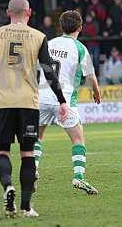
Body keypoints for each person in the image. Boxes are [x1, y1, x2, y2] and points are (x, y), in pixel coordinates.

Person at [0, 0, 68, 218]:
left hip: (3, 103)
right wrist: (61, 100)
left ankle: (7, 187)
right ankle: (25, 206)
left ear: (7, 13)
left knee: (1, 151)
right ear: (29, 12)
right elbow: (49, 72)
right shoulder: (39, 36)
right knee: (27, 154)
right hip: (28, 104)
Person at [35, 10, 101, 195]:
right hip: (63, 100)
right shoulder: (80, 48)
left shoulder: (48, 43)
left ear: (60, 27)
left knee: (37, 137)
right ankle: (79, 177)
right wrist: (96, 92)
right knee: (78, 139)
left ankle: (33, 169)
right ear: (80, 28)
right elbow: (91, 76)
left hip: (41, 97)